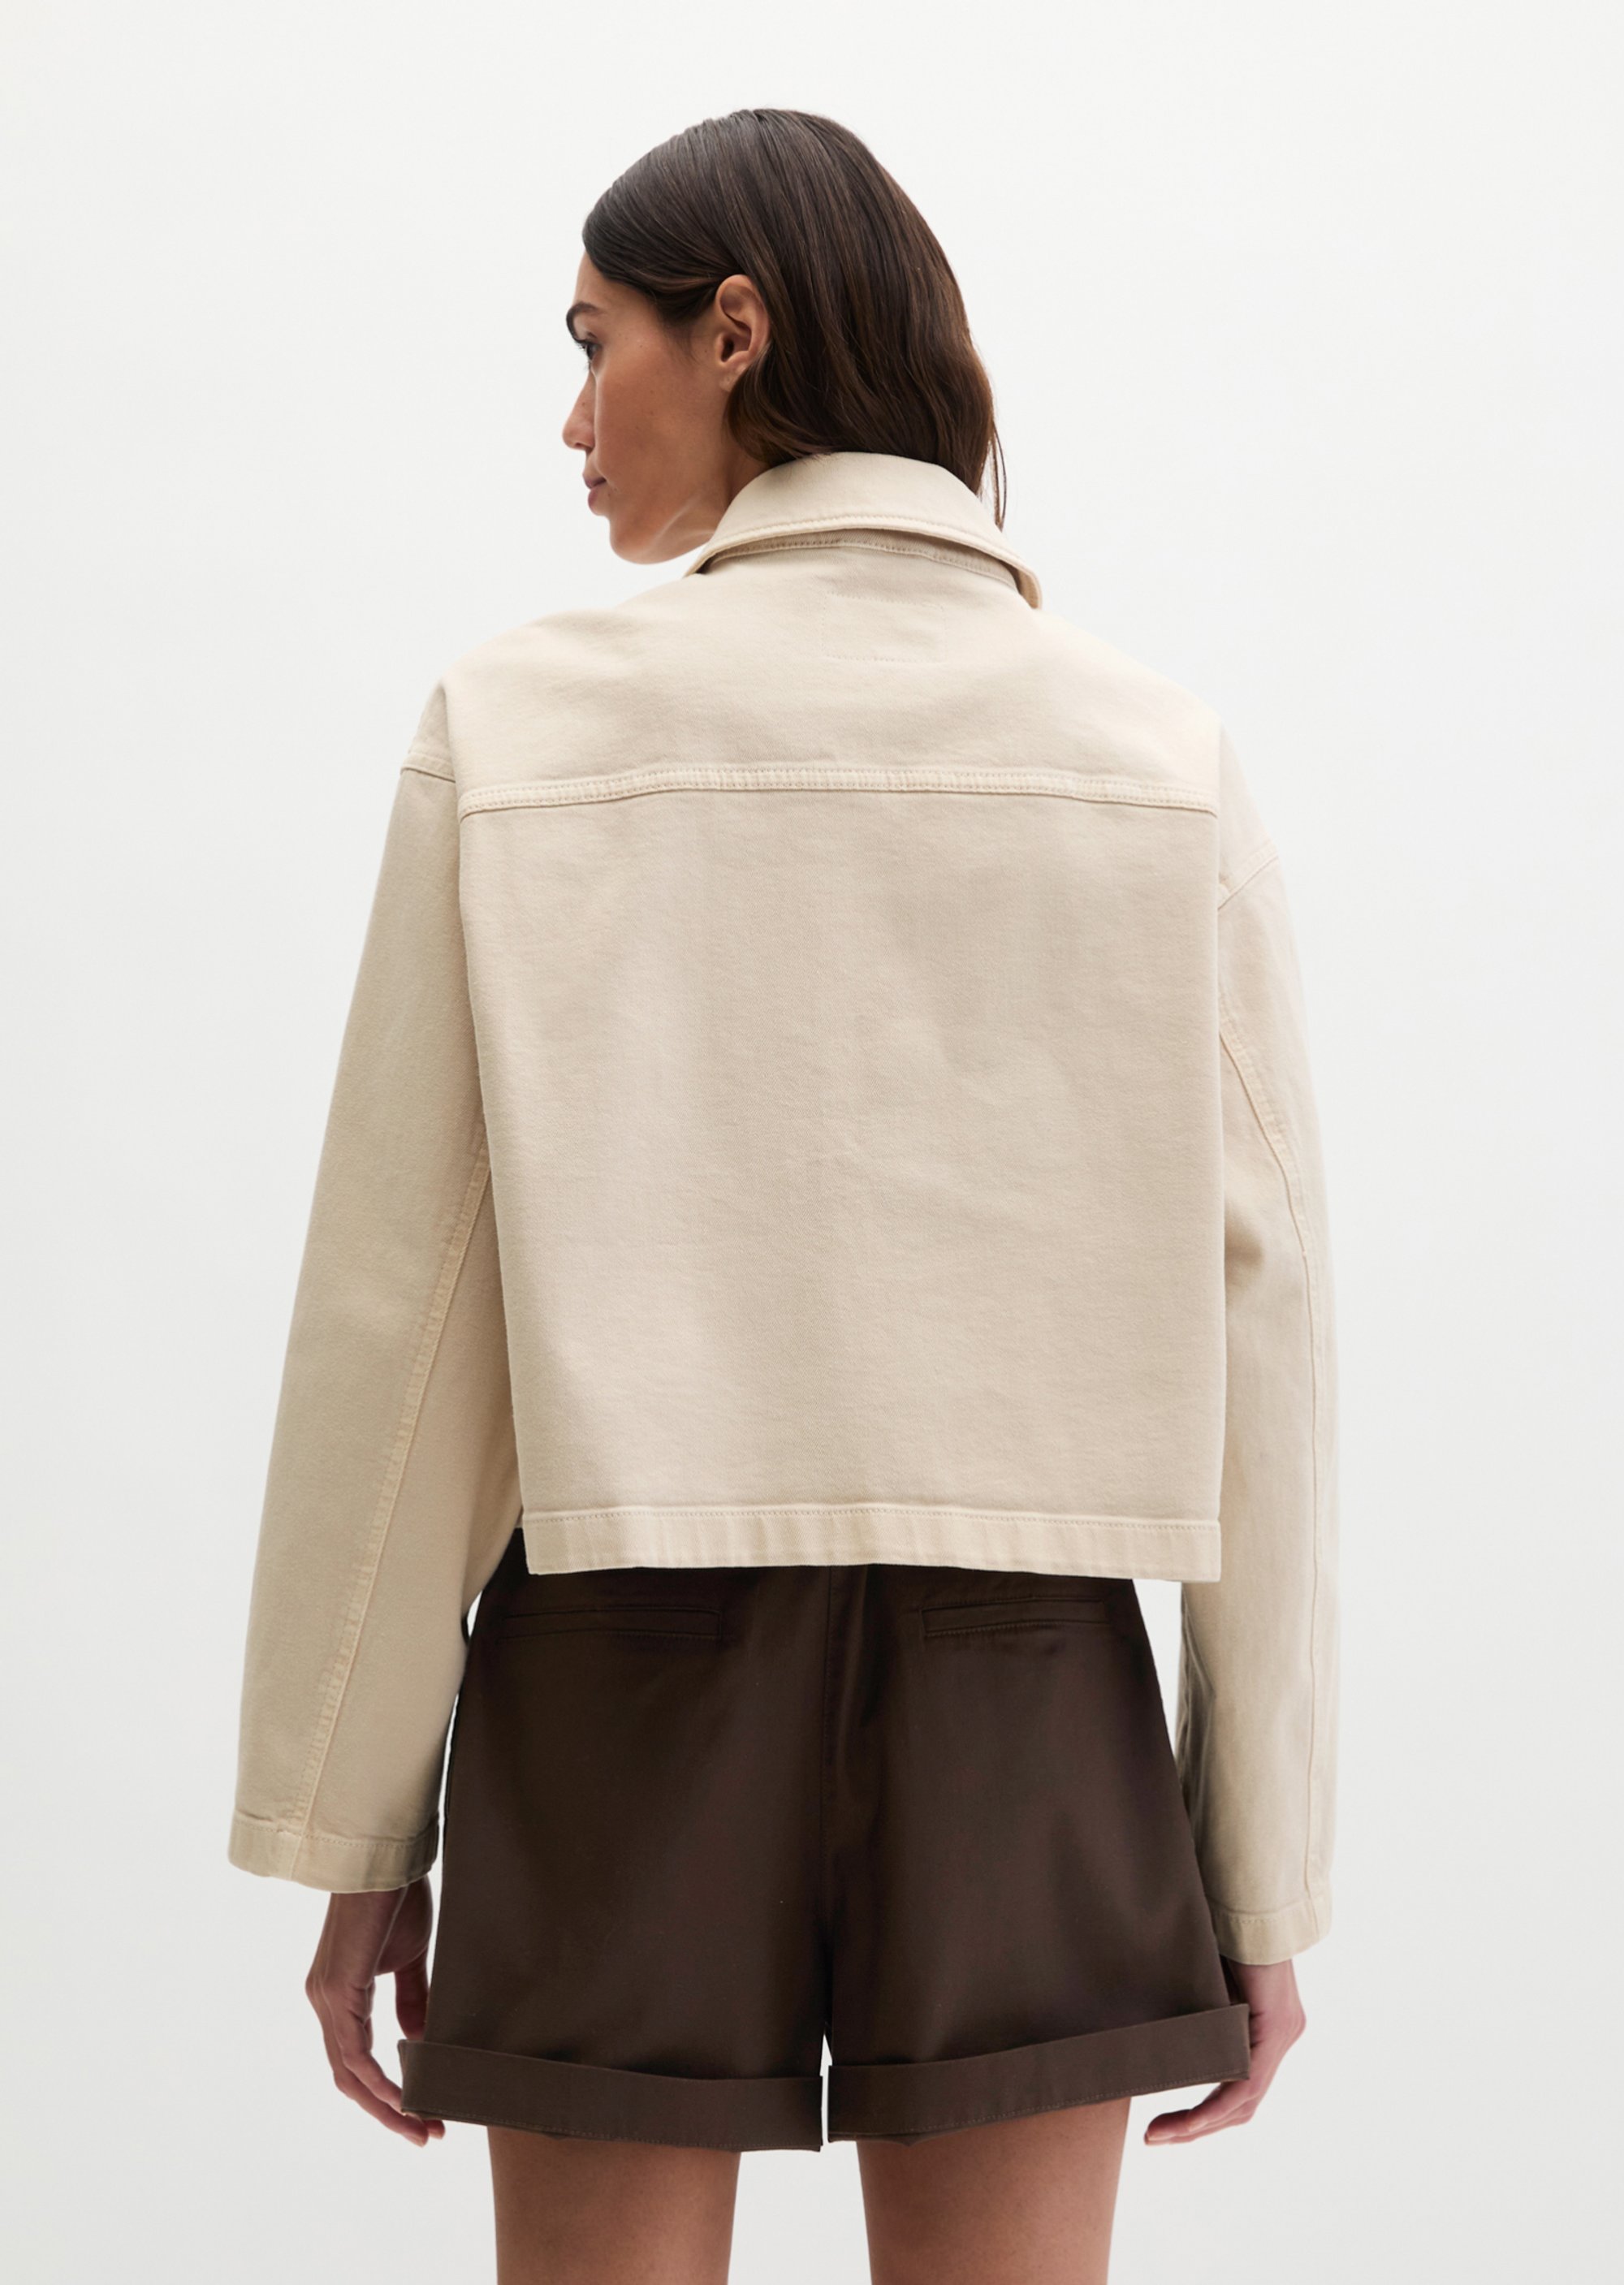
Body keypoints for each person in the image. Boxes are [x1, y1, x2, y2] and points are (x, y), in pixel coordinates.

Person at [229, 108, 1338, 2285]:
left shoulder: (518, 731)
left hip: (616, 1665)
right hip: (1028, 1682)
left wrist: (356, 1825)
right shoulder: (1155, 758)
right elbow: (1267, 1320)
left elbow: (405, 1308)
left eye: (596, 342)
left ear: (733, 333)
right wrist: (1261, 1863)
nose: (573, 417)